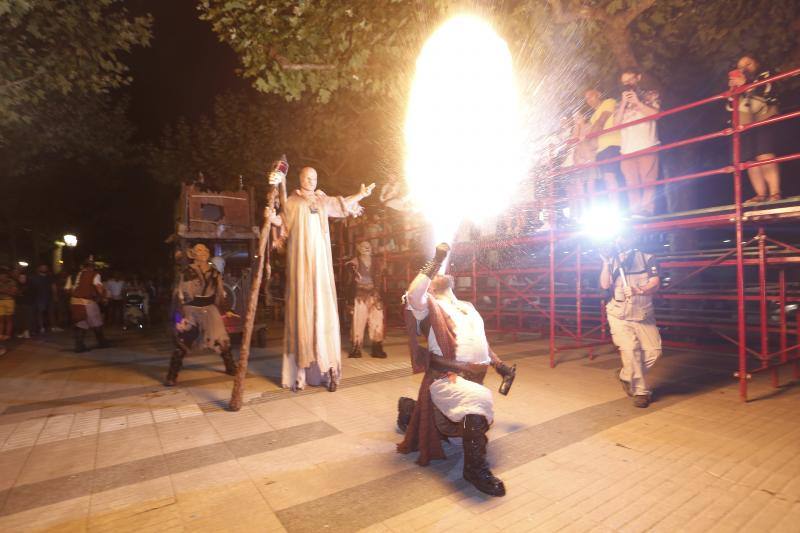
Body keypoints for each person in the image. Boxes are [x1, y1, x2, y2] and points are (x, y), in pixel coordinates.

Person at [396, 243, 516, 497]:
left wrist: (500, 365)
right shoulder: (426, 305)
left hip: (472, 378)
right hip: (444, 378)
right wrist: (435, 258)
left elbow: (481, 343)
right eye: (436, 271)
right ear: (429, 282)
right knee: (478, 400)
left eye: (443, 266)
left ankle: (408, 409)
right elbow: (414, 292)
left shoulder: (468, 306)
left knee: (472, 400)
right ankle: (474, 469)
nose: (443, 270)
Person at [270, 166, 375, 392]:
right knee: (303, 311)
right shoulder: (292, 201)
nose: (311, 180)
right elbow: (282, 224)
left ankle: (328, 369)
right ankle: (300, 373)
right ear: (300, 178)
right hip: (300, 266)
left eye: (315, 177)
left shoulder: (322, 200)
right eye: (308, 177)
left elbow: (342, 205)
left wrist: (360, 195)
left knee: (323, 312)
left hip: (321, 268)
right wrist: (271, 218)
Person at [599, 230, 662, 408]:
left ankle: (626, 375)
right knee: (631, 350)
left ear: (633, 238)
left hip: (643, 314)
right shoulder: (611, 259)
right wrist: (605, 262)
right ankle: (641, 392)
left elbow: (655, 283)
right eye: (618, 236)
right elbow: (604, 284)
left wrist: (638, 290)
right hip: (618, 314)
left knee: (654, 352)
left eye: (625, 236)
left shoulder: (647, 258)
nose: (621, 239)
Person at [166, 243, 236, 386]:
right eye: (199, 250)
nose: (203, 252)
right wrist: (178, 316)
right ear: (193, 254)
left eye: (205, 249)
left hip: (210, 310)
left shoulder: (215, 273)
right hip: (191, 310)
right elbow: (178, 294)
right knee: (184, 341)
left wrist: (227, 309)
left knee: (222, 339)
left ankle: (231, 367)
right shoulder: (186, 272)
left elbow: (220, 293)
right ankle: (172, 375)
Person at [728, 54, 782, 202]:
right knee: (749, 159)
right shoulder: (738, 82)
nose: (744, 69)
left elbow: (768, 92)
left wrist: (747, 83)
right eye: (740, 67)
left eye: (748, 64)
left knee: (764, 154)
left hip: (764, 117)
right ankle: (760, 194)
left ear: (757, 63)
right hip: (744, 123)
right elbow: (730, 107)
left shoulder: (766, 74)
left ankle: (775, 193)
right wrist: (733, 91)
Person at [614, 67, 661, 218]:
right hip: (627, 149)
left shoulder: (650, 95)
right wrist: (623, 103)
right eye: (624, 82)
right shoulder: (619, 102)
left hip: (647, 144)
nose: (628, 84)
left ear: (638, 78)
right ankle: (635, 211)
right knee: (631, 183)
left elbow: (655, 115)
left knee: (648, 180)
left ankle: (647, 210)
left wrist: (637, 102)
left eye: (630, 80)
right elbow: (615, 125)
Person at [346, 241, 386, 358]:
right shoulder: (353, 264)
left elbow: (381, 281)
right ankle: (356, 348)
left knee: (377, 321)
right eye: (363, 246)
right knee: (358, 322)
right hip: (359, 295)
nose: (367, 248)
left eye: (369, 246)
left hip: (375, 295)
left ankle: (377, 348)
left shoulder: (377, 263)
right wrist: (349, 301)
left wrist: (380, 296)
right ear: (358, 248)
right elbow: (348, 283)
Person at [585, 89, 623, 210]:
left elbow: (602, 120)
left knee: (610, 177)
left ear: (599, 94)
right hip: (601, 149)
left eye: (591, 96)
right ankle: (614, 207)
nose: (589, 100)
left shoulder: (608, 102)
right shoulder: (593, 116)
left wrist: (589, 137)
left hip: (612, 144)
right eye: (586, 99)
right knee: (606, 180)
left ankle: (616, 209)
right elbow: (595, 127)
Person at [65, 258, 108, 352]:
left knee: (80, 323)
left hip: (74, 302)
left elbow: (67, 289)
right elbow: (99, 287)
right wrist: (103, 298)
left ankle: (79, 346)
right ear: (92, 267)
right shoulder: (94, 274)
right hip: (87, 302)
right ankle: (102, 342)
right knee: (97, 322)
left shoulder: (72, 276)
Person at [30, 264, 56, 335]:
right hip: (39, 298)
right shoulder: (35, 278)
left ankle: (52, 326)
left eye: (45, 267)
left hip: (49, 297)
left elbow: (53, 287)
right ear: (39, 268)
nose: (44, 269)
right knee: (40, 313)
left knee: (51, 313)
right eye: (42, 267)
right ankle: (41, 327)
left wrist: (54, 296)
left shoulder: (49, 277)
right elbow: (32, 288)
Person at [0, 266, 17, 343]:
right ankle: (1, 334)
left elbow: (13, 292)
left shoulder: (12, 282)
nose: (3, 277)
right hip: (1, 301)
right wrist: (7, 291)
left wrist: (3, 291)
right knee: (1, 319)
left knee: (9, 319)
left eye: (4, 275)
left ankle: (7, 335)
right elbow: (10, 291)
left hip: (9, 301)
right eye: (1, 275)